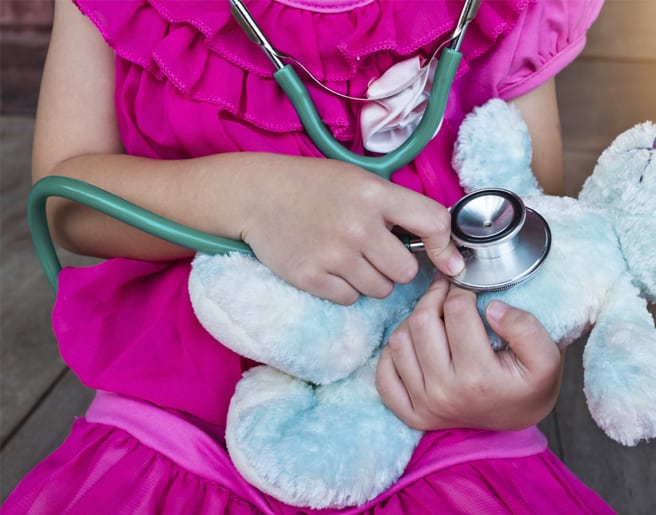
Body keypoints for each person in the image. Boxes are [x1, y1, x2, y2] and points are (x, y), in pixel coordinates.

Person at [5, 0, 614, 513]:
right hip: (179, 422)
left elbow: (536, 242)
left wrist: (515, 394)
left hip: (432, 423)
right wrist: (248, 198)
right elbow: (68, 204)